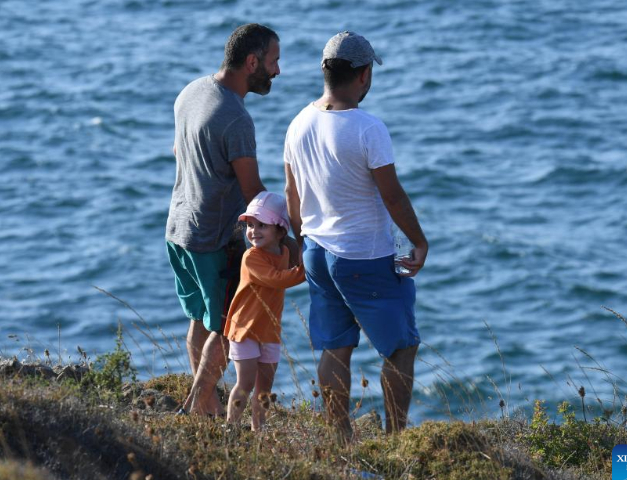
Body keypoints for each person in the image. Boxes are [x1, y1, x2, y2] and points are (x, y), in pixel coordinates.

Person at [283, 31, 429, 439]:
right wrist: (419, 241)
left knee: (335, 346)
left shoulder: (298, 123)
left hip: (315, 249)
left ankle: (340, 436)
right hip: (362, 255)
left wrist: (301, 242)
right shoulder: (368, 127)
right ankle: (396, 436)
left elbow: (292, 194)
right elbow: (393, 196)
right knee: (401, 346)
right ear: (364, 75)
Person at [165, 23, 286, 416]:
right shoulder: (236, 118)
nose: (277, 71)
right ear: (252, 62)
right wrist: (289, 229)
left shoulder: (191, 92)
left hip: (179, 229)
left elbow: (178, 149)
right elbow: (253, 193)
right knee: (224, 327)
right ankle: (194, 409)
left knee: (201, 320)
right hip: (213, 239)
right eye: (273, 61)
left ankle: (207, 412)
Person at [223, 192, 305, 430]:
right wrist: (308, 269)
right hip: (245, 329)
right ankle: (231, 428)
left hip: (269, 331)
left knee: (265, 389)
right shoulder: (251, 257)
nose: (253, 231)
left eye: (262, 226)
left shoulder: (285, 253)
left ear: (280, 231)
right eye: (250, 225)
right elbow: (277, 279)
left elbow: (286, 269)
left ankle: (258, 430)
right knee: (245, 383)